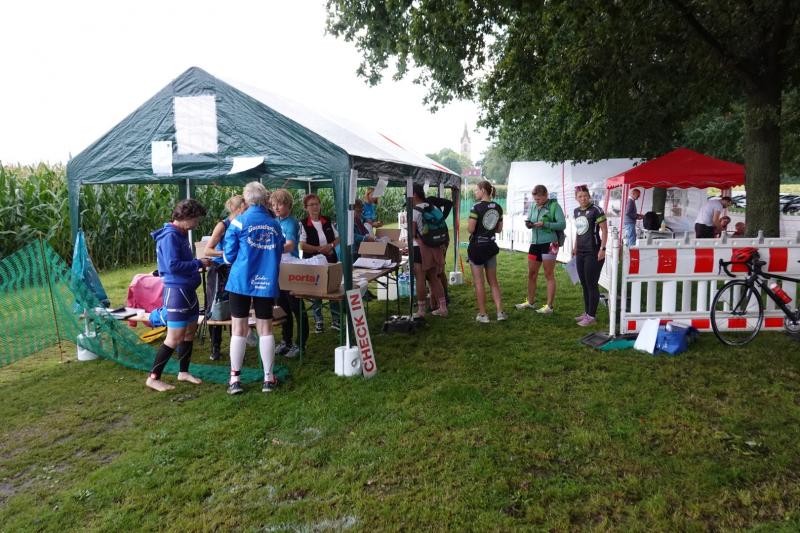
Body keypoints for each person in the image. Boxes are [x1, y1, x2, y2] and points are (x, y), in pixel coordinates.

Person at [223, 182, 285, 395]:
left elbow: (228, 255)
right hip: (265, 281)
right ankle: (268, 378)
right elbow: (279, 250)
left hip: (240, 281)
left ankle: (235, 379)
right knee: (265, 329)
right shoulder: (274, 224)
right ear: (265, 198)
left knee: (238, 329)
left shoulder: (238, 222)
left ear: (247, 199)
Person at [146, 199, 212, 392]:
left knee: (190, 332)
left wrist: (197, 264)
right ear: (185, 217)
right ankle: (153, 378)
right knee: (174, 338)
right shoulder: (170, 236)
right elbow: (172, 266)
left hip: (188, 291)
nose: (196, 224)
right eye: (196, 219)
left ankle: (183, 372)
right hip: (177, 292)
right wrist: (198, 263)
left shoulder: (180, 233)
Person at [202, 194, 247, 361]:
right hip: (219, 270)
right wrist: (227, 253)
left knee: (237, 308)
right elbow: (208, 250)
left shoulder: (244, 224)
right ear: (237, 208)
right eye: (246, 208)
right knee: (216, 308)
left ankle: (239, 345)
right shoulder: (223, 225)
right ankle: (215, 347)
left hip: (236, 270)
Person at [515, 184, 566, 314]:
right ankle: (530, 302)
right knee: (531, 273)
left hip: (551, 244)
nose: (536, 201)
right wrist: (529, 224)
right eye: (535, 199)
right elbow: (530, 220)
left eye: (538, 199)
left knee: (549, 274)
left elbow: (562, 224)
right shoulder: (533, 206)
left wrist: (545, 224)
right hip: (535, 243)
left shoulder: (554, 206)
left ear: (546, 196)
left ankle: (549, 307)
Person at [271, 189, 308, 359]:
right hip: (278, 269)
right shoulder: (274, 221)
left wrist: (271, 249)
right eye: (273, 204)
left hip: (290, 269)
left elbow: (290, 245)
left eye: (280, 204)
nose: (276, 207)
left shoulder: (291, 223)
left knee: (296, 307)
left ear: (288, 205)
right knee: (283, 308)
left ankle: (300, 343)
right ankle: (286, 341)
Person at [299, 193, 342, 333]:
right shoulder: (303, 224)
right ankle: (319, 321)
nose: (315, 207)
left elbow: (338, 238)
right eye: (311, 205)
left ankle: (336, 319)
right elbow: (302, 245)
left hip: (330, 259)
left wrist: (330, 246)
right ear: (306, 208)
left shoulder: (327, 220)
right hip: (313, 262)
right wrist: (319, 249)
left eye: (317, 204)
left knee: (333, 289)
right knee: (316, 292)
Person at [467, 180, 506, 323]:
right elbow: (499, 229)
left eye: (476, 190)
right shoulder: (498, 207)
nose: (475, 192)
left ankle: (483, 315)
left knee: (479, 283)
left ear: (483, 190)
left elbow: (471, 229)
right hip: (490, 246)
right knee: (493, 282)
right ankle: (500, 312)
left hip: (477, 247)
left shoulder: (476, 207)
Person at [572, 185, 608, 327]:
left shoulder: (596, 210)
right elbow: (579, 231)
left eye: (585, 196)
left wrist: (602, 249)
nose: (583, 199)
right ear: (576, 198)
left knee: (591, 284)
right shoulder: (576, 211)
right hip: (580, 252)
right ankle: (587, 313)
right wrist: (575, 247)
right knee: (584, 284)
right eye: (580, 196)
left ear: (589, 196)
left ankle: (591, 317)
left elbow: (604, 230)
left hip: (593, 252)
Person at [411, 183, 448, 318]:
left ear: (414, 194)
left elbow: (412, 233)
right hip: (435, 247)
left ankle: (421, 310)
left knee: (420, 278)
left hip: (420, 248)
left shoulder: (415, 211)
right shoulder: (433, 207)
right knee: (434, 278)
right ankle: (443, 308)